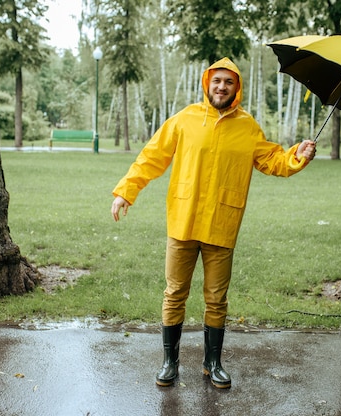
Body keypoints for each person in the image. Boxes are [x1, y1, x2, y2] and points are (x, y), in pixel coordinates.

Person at [111, 57, 316, 389]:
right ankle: (170, 362)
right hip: (183, 223)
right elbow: (152, 157)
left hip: (222, 223)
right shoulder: (184, 120)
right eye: (217, 80)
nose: (222, 86)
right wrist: (125, 192)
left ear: (237, 89)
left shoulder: (248, 127)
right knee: (175, 292)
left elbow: (273, 160)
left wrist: (297, 155)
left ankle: (213, 363)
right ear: (207, 83)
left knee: (216, 298)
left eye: (229, 82)